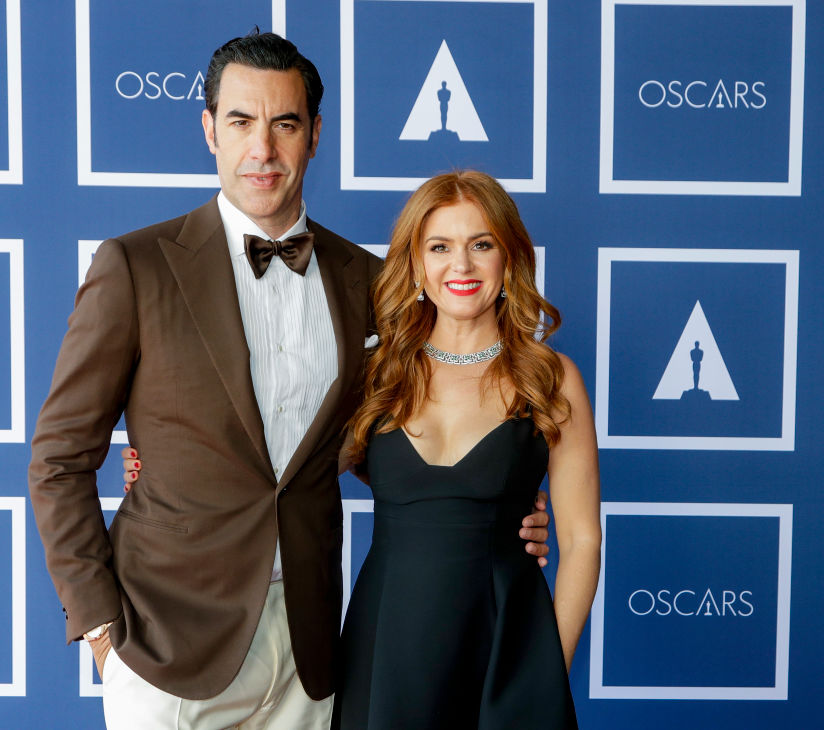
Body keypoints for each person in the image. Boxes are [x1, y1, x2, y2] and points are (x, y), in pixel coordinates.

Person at [29, 31, 549, 730]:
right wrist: (98, 628)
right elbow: (59, 458)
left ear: (315, 135)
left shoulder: (368, 282)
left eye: (285, 124)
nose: (263, 149)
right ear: (210, 130)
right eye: (241, 122)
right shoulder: (137, 267)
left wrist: (488, 507)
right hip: (164, 643)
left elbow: (390, 437)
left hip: (310, 647)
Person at [330, 171, 601, 729]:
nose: (462, 265)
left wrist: (548, 667)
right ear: (415, 263)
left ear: (509, 259)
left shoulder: (550, 379)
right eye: (440, 246)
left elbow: (580, 539)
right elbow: (284, 479)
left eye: (482, 245)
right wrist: (163, 463)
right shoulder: (374, 375)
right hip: (387, 646)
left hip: (508, 648)